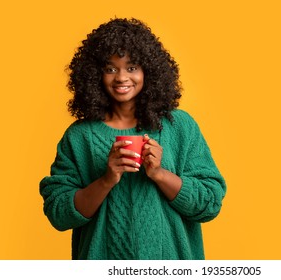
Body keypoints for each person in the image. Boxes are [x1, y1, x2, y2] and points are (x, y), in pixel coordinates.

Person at [39, 18, 226, 260]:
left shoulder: (179, 127)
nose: (121, 78)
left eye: (132, 67)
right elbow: (59, 213)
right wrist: (107, 179)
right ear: (94, 74)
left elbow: (209, 203)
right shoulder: (79, 137)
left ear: (149, 70)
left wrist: (160, 174)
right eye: (110, 69)